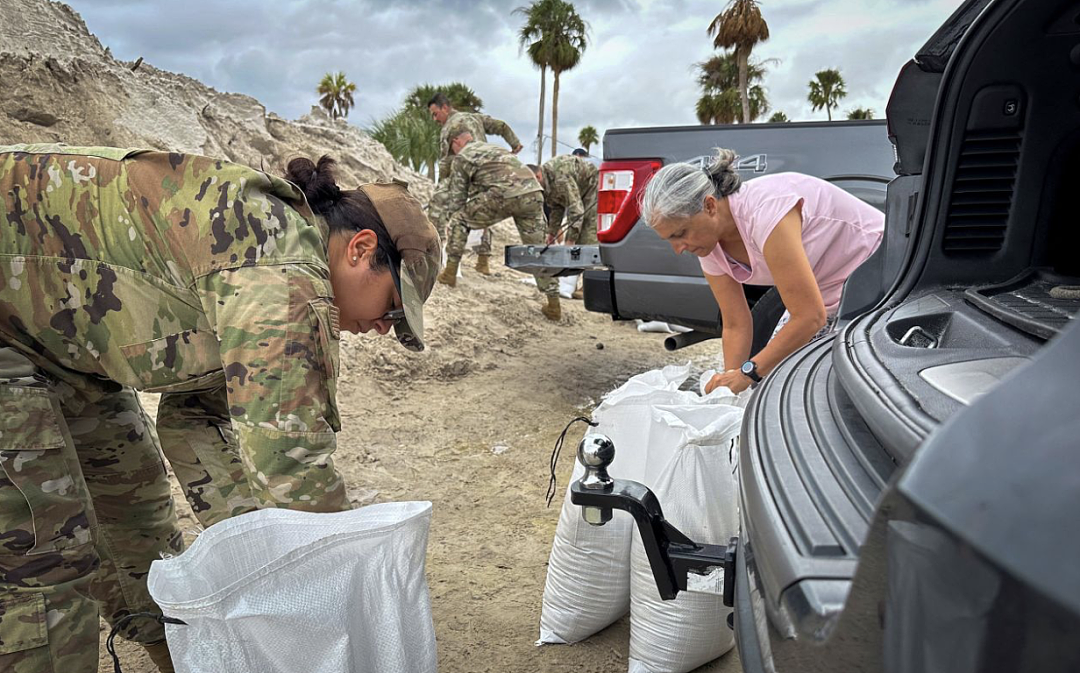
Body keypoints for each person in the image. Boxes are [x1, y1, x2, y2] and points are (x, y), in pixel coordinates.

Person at [0, 144, 441, 673]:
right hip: (13, 331)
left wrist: (255, 560)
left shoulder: (259, 272)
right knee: (44, 557)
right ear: (361, 249)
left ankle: (173, 660)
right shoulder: (281, 267)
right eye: (392, 309)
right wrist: (339, 608)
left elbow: (195, 419)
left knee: (136, 512)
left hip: (62, 346)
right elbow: (292, 467)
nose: (381, 329)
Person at [639, 148, 884, 394]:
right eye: (669, 240)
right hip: (830, 292)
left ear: (710, 206)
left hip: (883, 273)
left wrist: (748, 373)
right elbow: (735, 323)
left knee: (829, 388)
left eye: (679, 234)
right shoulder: (708, 244)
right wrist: (729, 387)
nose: (678, 249)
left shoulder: (765, 212)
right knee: (773, 386)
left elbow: (809, 316)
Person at [435, 132, 561, 321]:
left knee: (460, 220)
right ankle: (553, 304)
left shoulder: (462, 157)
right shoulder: (494, 148)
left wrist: (452, 215)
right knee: (537, 250)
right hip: (533, 193)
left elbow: (458, 198)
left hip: (504, 193)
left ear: (456, 142)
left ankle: (450, 273)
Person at [427, 92, 523, 276]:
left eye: (435, 113)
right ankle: (483, 260)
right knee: (482, 214)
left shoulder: (449, 127)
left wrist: (442, 184)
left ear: (445, 108)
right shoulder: (475, 118)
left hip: (464, 174)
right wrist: (515, 143)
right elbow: (501, 126)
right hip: (486, 174)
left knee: (438, 207)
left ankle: (436, 252)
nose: (434, 118)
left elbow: (446, 162)